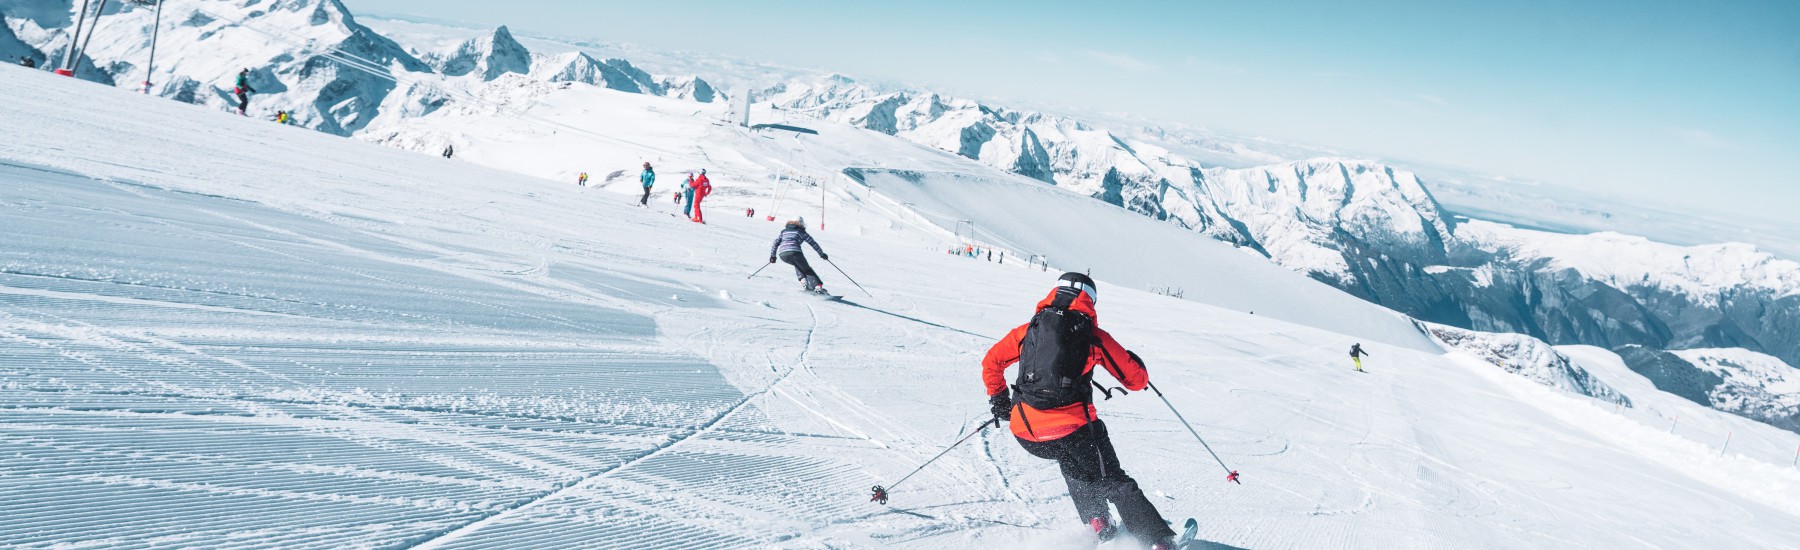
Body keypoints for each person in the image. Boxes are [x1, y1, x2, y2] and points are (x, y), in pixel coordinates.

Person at [982, 273, 1177, 549]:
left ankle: (1098, 522)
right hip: (1071, 431)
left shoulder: (1028, 331)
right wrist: (1137, 362)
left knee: (1071, 460)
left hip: (1026, 434)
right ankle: (1158, 541)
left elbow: (991, 362)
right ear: (1090, 300)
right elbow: (1136, 380)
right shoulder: (1093, 337)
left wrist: (1001, 401)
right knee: (1110, 477)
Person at [769, 217, 828, 293]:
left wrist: (773, 256)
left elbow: (775, 243)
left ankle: (804, 281)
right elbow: (813, 243)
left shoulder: (784, 232)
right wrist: (822, 254)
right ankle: (818, 287)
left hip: (783, 255)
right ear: (801, 223)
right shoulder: (800, 232)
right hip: (795, 252)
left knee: (798, 265)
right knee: (807, 269)